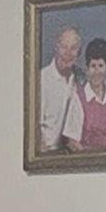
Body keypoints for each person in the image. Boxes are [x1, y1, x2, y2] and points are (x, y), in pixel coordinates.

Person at [35, 23, 85, 152]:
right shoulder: (42, 79)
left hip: (69, 153)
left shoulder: (81, 79)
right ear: (56, 48)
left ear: (79, 52)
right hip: (46, 153)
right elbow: (33, 127)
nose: (68, 53)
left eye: (73, 48)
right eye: (64, 47)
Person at [77, 38, 106, 151]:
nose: (97, 71)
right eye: (93, 66)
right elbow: (72, 142)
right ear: (87, 69)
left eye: (101, 66)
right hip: (84, 161)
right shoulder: (78, 97)